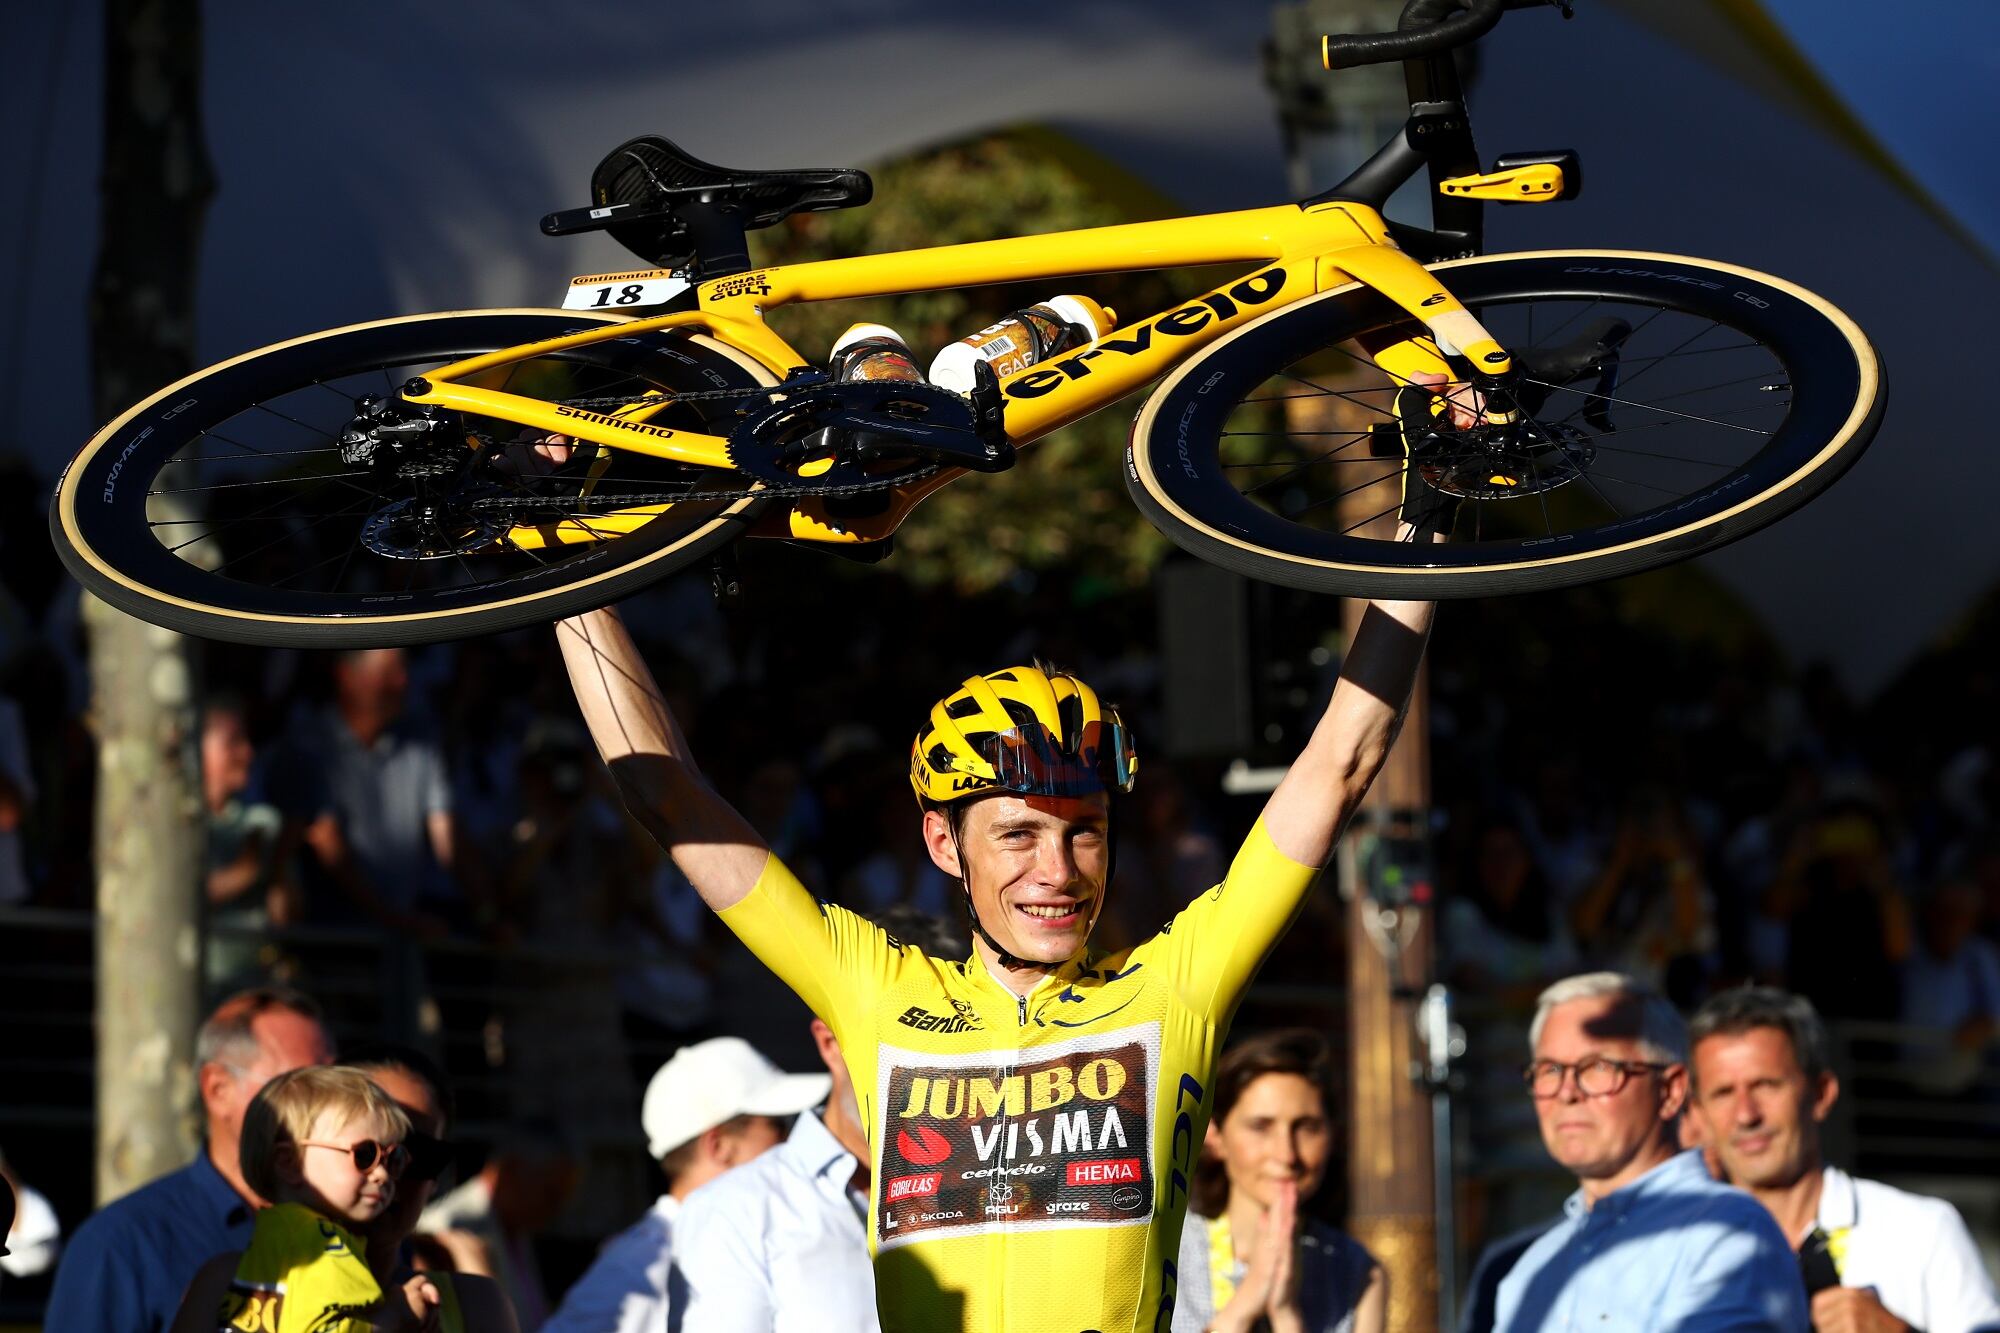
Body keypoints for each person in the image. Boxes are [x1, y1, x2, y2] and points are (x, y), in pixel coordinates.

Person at [558, 546, 1435, 1331]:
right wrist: (560, 561)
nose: (1057, 868)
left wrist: (1427, 506)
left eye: (1084, 830)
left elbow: (1344, 757)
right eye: (1017, 834)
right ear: (947, 846)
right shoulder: (878, 990)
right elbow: (669, 797)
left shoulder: (1175, 986)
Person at [1493, 972, 1807, 1332]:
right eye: (1549, 1070)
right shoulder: (1532, 1268)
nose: (1567, 1093)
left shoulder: (1725, 1231)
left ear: (1671, 1091)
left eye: (1597, 1067)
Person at [1687, 986, 2000, 1333]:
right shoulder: (1674, 1255)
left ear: (1821, 1094)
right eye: (1723, 1093)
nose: (1746, 1114)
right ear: (1698, 1117)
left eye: (1766, 1085)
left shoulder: (1922, 1232)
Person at [43, 986, 336, 1331]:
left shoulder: (350, 1228)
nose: (330, 1105)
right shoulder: (122, 1244)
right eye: (302, 1086)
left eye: (337, 1084)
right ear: (218, 1090)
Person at [543, 1036, 831, 1333]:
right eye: (777, 1124)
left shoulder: (739, 1235)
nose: (789, 1139)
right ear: (717, 1145)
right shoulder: (636, 1267)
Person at [169, 1065, 440, 1333]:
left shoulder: (227, 1271)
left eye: (394, 1159)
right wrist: (395, 1315)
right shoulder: (327, 1246)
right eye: (365, 1155)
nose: (382, 1175)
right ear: (290, 1163)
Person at [1171, 1029, 1385, 1333]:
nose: (1286, 1154)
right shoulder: (1164, 1249)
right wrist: (1243, 1307)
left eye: (1307, 1127)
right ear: (1215, 1134)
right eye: (1261, 1126)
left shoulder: (1356, 1271)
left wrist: (1286, 1316)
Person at [352, 1044, 522, 1333]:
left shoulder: (475, 1309)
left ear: (435, 1181)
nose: (388, 1172)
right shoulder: (262, 1295)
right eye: (369, 1150)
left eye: (420, 1153)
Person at [416, 1119, 579, 1328]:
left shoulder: (514, 1227)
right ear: (510, 1171)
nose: (557, 1209)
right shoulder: (449, 1227)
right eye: (551, 1194)